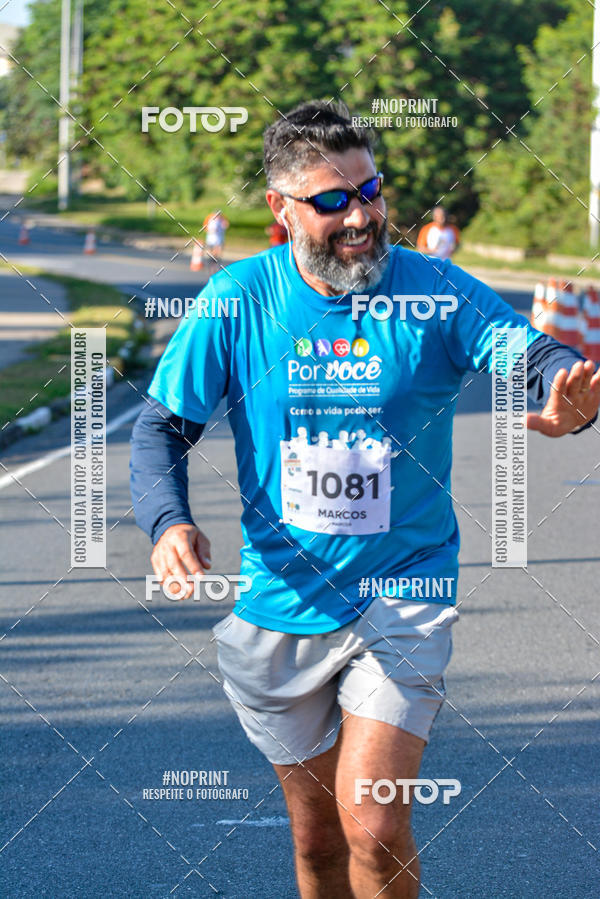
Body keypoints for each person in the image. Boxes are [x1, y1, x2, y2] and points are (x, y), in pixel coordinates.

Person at [130, 101, 600, 898]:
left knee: (373, 823)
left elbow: (526, 348)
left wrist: (562, 387)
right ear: (280, 208)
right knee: (316, 840)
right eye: (332, 200)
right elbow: (159, 431)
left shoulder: (433, 291)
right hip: (282, 596)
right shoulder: (238, 301)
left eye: (371, 191)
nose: (361, 216)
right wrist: (168, 521)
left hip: (405, 590)